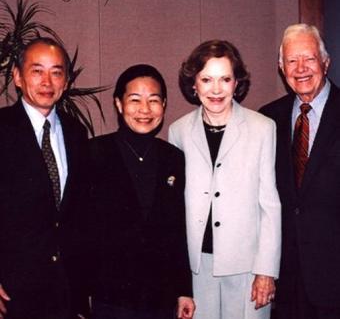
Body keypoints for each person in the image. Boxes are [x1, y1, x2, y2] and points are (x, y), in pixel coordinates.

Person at [168, 40, 281, 319]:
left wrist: (266, 270)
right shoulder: (178, 131)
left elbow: (270, 205)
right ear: (193, 84)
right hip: (197, 267)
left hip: (247, 267)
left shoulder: (262, 128)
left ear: (236, 83)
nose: (216, 89)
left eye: (225, 79)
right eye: (206, 79)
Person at [88, 64, 195, 319]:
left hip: (160, 296)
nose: (145, 110)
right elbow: (81, 229)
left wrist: (184, 290)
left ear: (164, 105)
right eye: (135, 100)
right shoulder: (94, 153)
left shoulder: (173, 158)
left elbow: (178, 230)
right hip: (111, 295)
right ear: (119, 103)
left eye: (154, 100)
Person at [0, 38, 89, 319]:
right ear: (17, 76)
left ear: (66, 82)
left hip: (66, 290)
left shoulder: (77, 132)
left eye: (57, 72)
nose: (47, 81)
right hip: (12, 290)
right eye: (37, 71)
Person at [260, 24, 340, 319]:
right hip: (287, 280)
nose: (301, 68)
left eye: (309, 58)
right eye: (292, 61)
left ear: (326, 62)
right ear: (281, 68)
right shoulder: (267, 119)